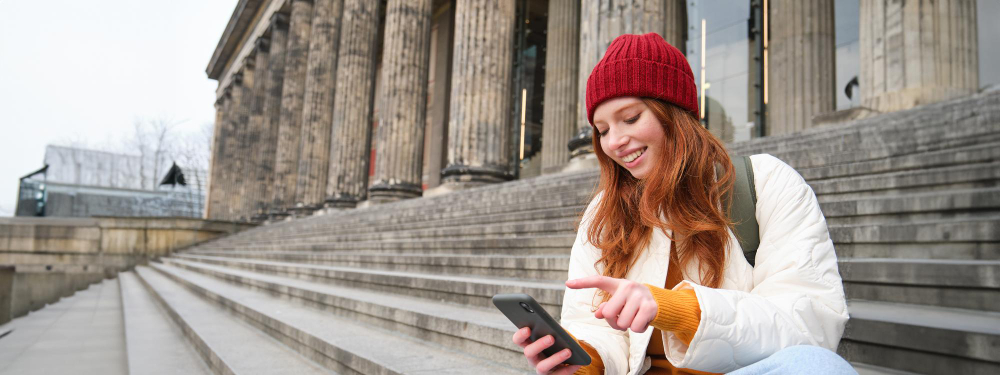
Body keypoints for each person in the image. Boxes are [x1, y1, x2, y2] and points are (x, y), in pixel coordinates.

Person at [512, 33, 853, 375]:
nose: (613, 142)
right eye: (601, 130)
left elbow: (811, 323)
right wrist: (583, 362)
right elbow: (593, 325)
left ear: (675, 113)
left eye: (630, 118)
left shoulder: (766, 182)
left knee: (817, 365)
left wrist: (680, 309)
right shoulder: (602, 213)